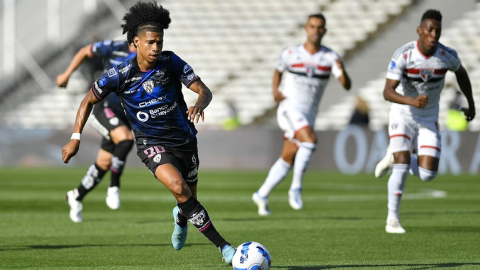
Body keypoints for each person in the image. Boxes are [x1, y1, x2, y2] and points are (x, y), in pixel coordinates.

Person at [61, 1, 236, 264]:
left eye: (159, 42)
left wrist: (199, 104)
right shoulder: (119, 73)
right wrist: (75, 138)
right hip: (151, 144)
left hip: (185, 140)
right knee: (178, 188)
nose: (156, 48)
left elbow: (204, 90)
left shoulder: (170, 61)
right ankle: (225, 249)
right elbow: (87, 100)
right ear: (136, 43)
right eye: (151, 42)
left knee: (188, 199)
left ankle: (180, 217)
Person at [374, 9, 475, 234]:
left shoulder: (446, 55)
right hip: (402, 113)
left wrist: (471, 103)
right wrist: (410, 100)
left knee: (428, 174)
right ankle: (392, 220)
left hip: (428, 118)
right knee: (401, 165)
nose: (433, 34)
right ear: (419, 30)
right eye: (429, 29)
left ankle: (395, 157)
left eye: (437, 30)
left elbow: (462, 74)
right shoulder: (404, 55)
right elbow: (387, 92)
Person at [252, 13, 352, 216]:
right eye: (312, 26)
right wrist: (275, 91)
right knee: (310, 141)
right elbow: (278, 70)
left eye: (320, 27)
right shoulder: (291, 53)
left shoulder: (330, 57)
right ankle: (296, 188)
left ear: (324, 31)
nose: (316, 30)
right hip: (289, 109)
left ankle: (261, 194)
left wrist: (343, 71)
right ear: (306, 28)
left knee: (288, 157)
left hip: (309, 114)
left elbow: (346, 86)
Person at [58, 39, 137, 223]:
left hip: (125, 113)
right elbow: (85, 51)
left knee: (103, 163)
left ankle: (76, 196)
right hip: (103, 106)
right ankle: (114, 187)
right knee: (125, 140)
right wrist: (67, 74)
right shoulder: (115, 47)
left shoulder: (147, 57)